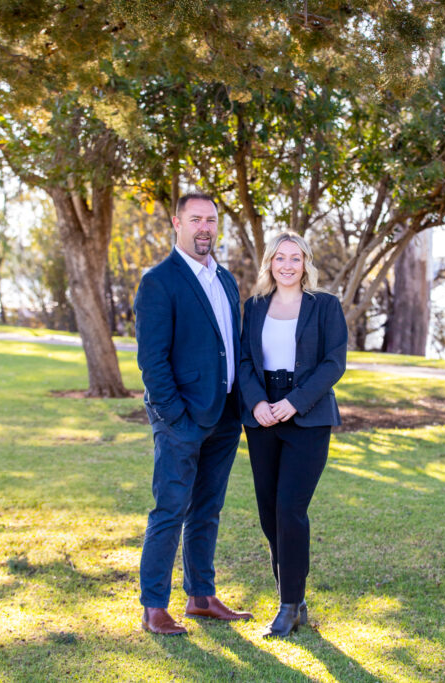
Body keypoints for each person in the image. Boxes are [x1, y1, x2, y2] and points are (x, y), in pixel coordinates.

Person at [133, 192, 254, 635]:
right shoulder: (159, 281)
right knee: (170, 507)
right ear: (176, 223)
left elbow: (232, 346)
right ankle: (154, 607)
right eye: (196, 219)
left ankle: (201, 596)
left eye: (212, 220)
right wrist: (175, 416)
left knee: (207, 508)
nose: (205, 227)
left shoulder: (225, 279)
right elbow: (152, 361)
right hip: (181, 419)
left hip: (224, 416)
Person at [238, 232, 347, 637]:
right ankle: (295, 596)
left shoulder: (325, 307)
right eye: (280, 258)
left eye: (295, 258)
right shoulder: (254, 307)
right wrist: (256, 403)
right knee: (269, 514)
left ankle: (287, 607)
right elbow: (245, 360)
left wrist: (295, 402)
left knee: (289, 510)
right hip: (262, 416)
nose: (287, 265)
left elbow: (334, 363)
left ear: (305, 264)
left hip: (308, 416)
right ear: (270, 263)